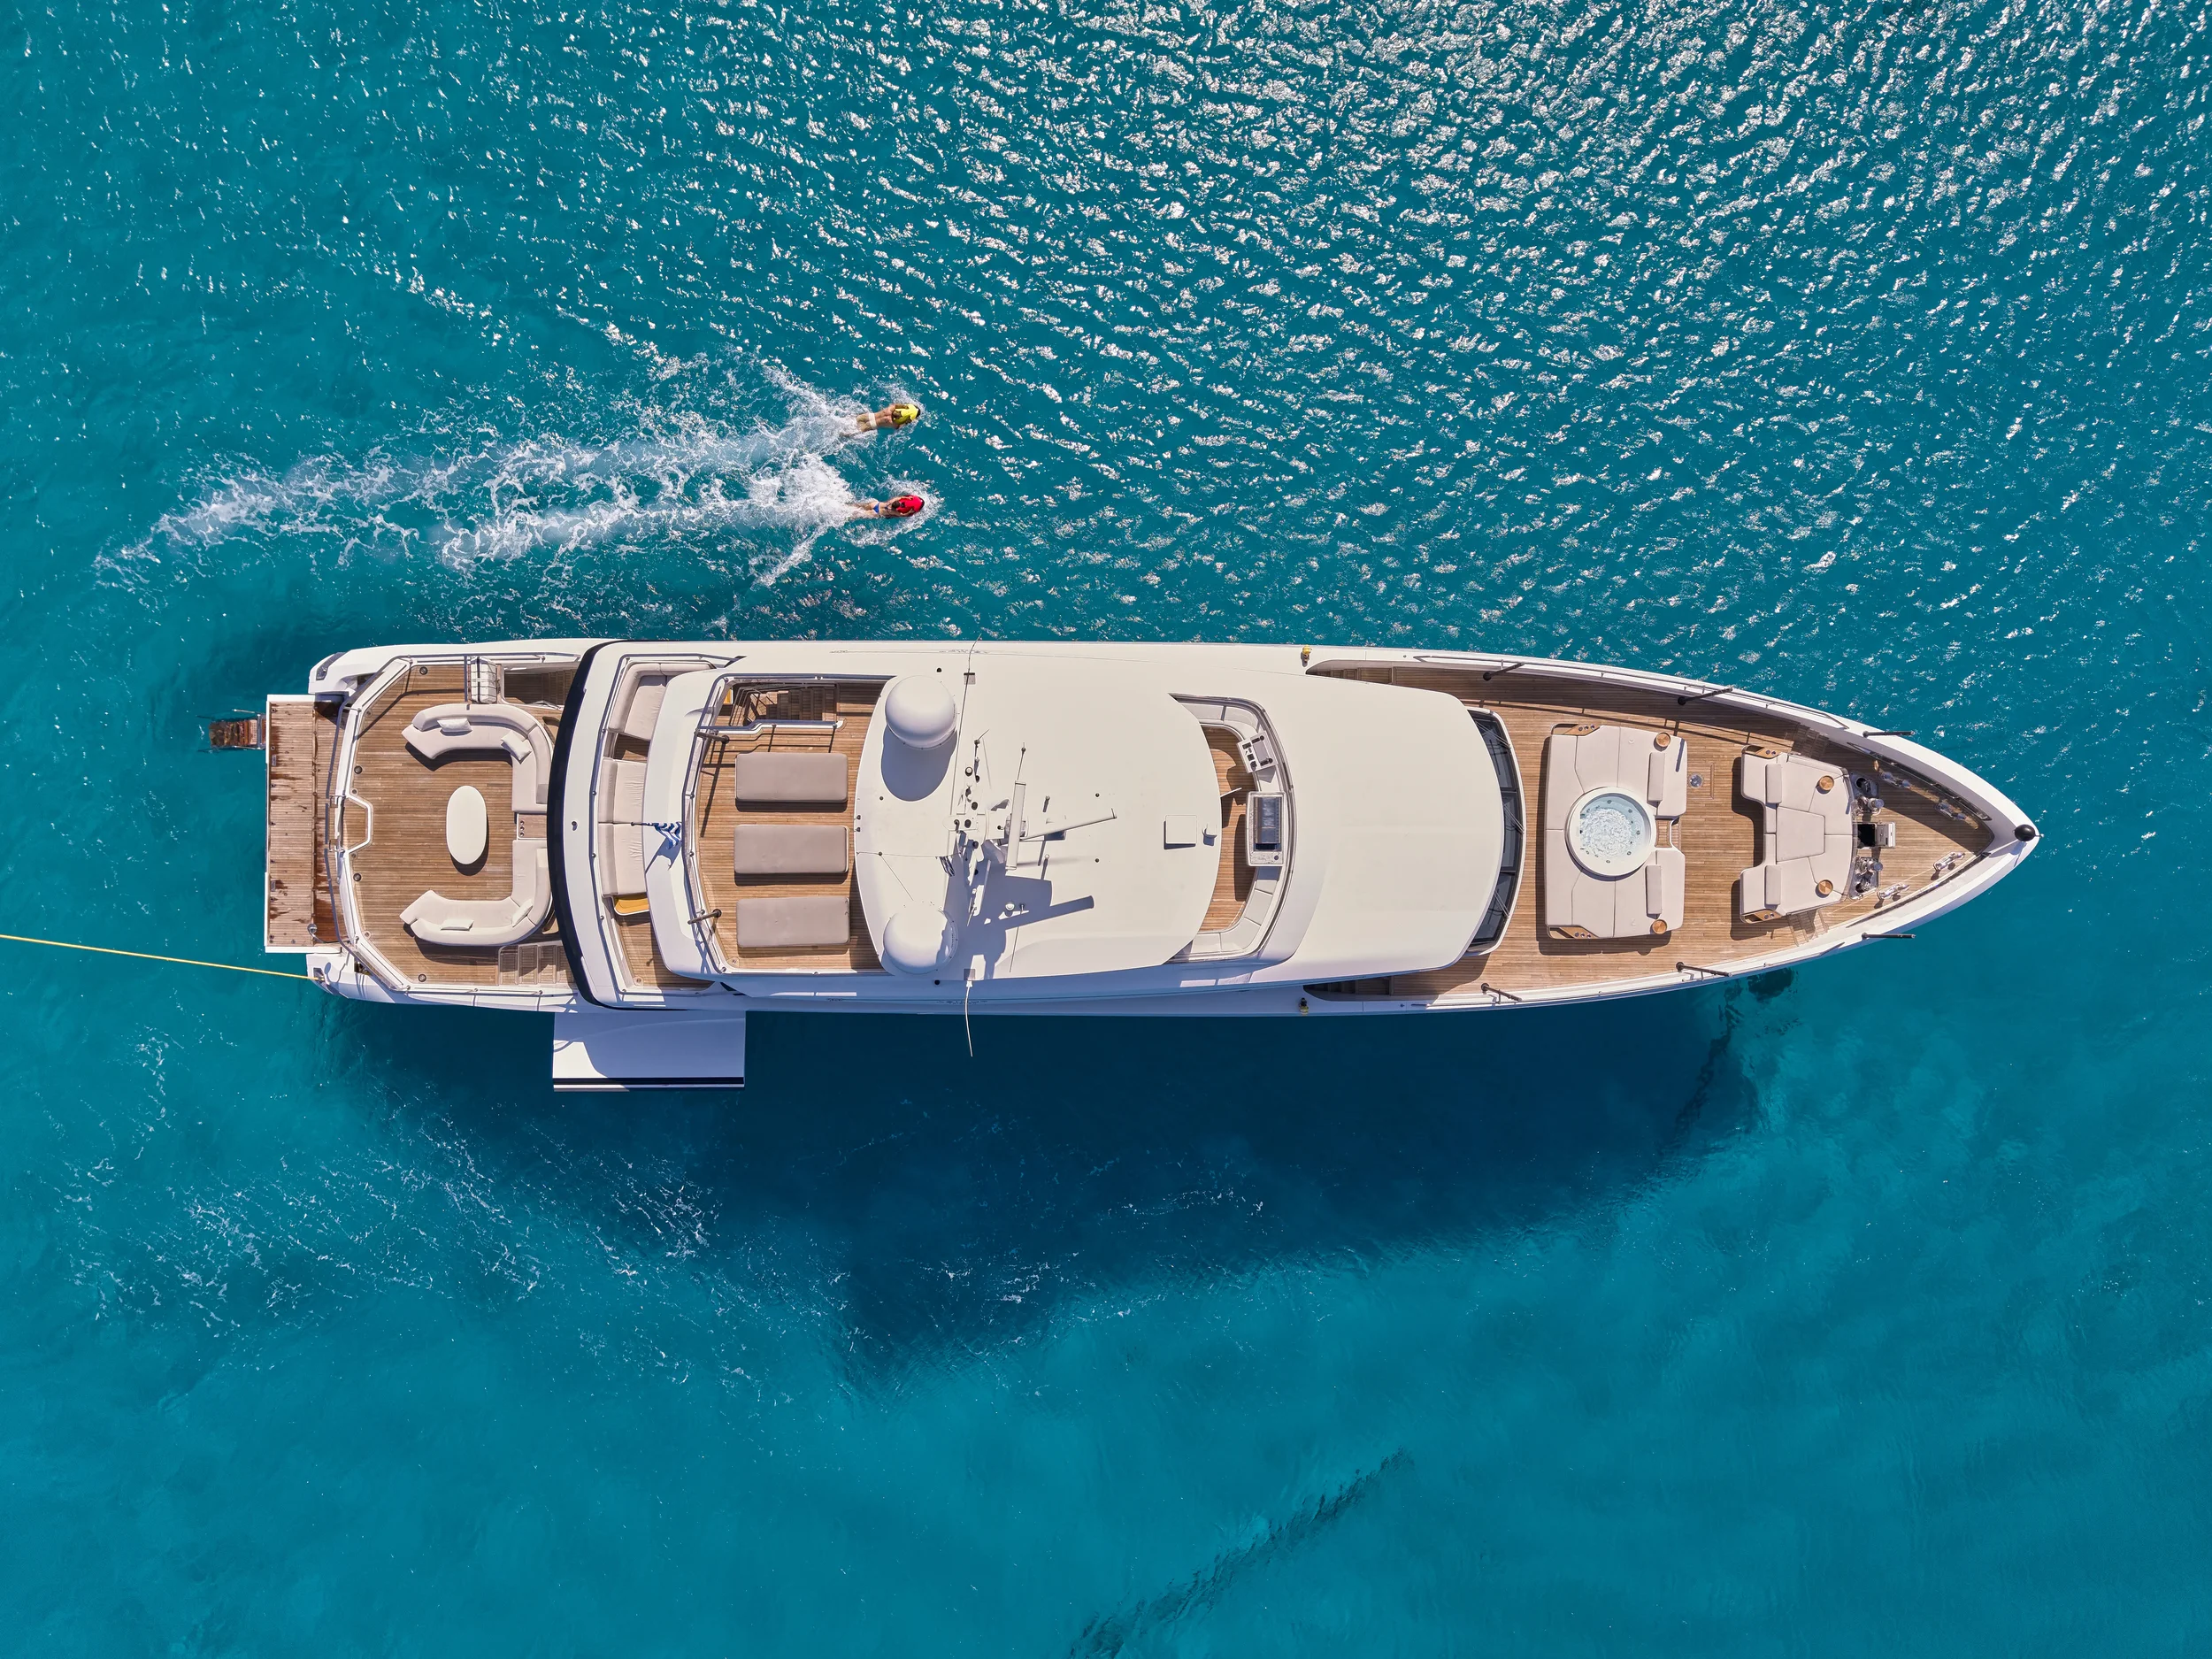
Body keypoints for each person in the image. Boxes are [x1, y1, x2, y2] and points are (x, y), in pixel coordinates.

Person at [848, 493, 925, 521]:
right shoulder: (895, 512)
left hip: (875, 504)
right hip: (876, 512)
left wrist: (907, 498)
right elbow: (904, 515)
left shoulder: (891, 501)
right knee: (855, 515)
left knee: (858, 506)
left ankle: (847, 506)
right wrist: (910, 511)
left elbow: (899, 498)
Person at [854, 401, 921, 434]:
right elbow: (898, 427)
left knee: (854, 419)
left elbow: (896, 405)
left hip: (868, 416)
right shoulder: (895, 424)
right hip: (873, 425)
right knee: (852, 433)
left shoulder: (891, 408)